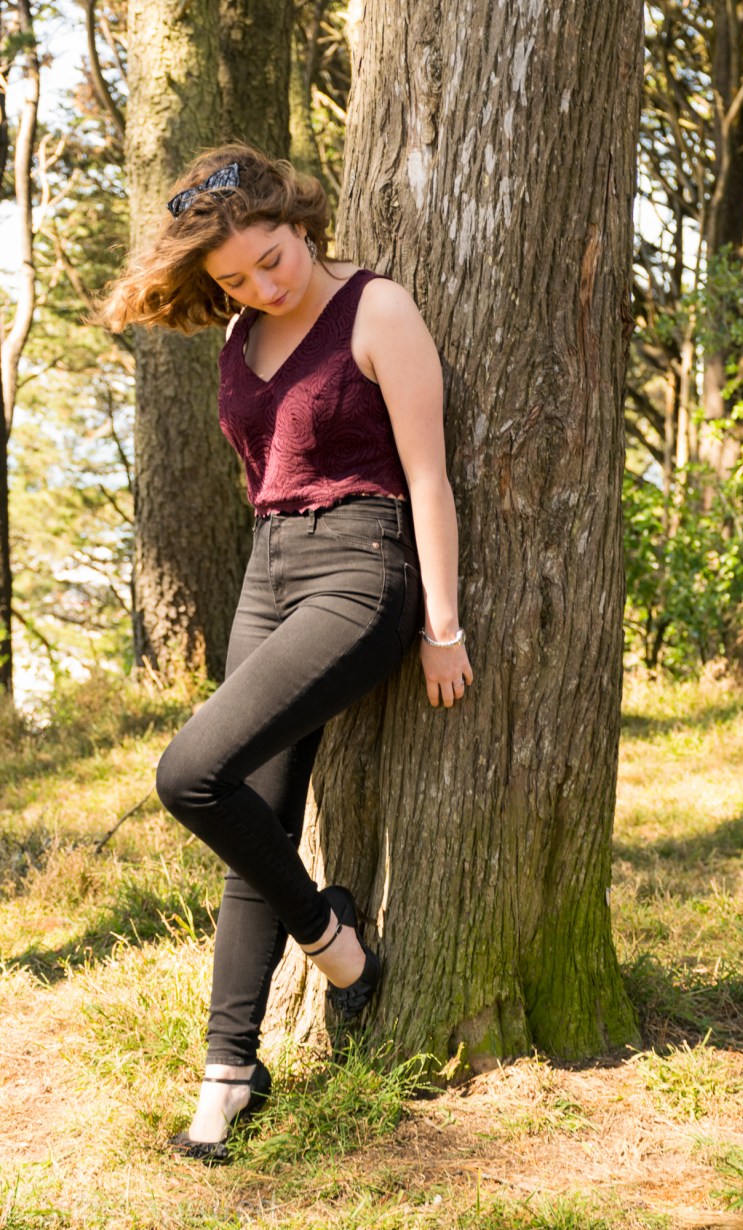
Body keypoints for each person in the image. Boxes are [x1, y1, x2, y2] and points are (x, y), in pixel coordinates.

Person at [98, 142, 473, 1163]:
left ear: (299, 222)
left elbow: (431, 477)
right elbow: (263, 468)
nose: (261, 285)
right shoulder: (238, 330)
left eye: (271, 259)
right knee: (247, 815)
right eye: (233, 279)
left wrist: (441, 627)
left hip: (361, 571)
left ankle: (332, 945)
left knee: (189, 774)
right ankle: (228, 1070)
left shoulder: (376, 310)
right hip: (269, 572)